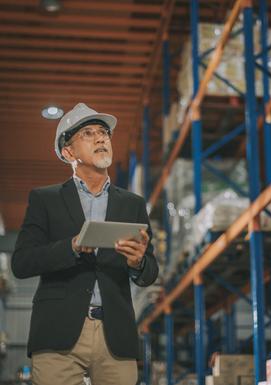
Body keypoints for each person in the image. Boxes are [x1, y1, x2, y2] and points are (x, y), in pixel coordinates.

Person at [11, 103, 158, 385]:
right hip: (59, 334)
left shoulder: (132, 204)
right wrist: (72, 247)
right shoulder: (46, 199)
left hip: (115, 335)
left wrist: (138, 262)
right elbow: (22, 262)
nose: (101, 138)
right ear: (69, 153)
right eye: (88, 134)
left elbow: (150, 273)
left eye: (104, 133)